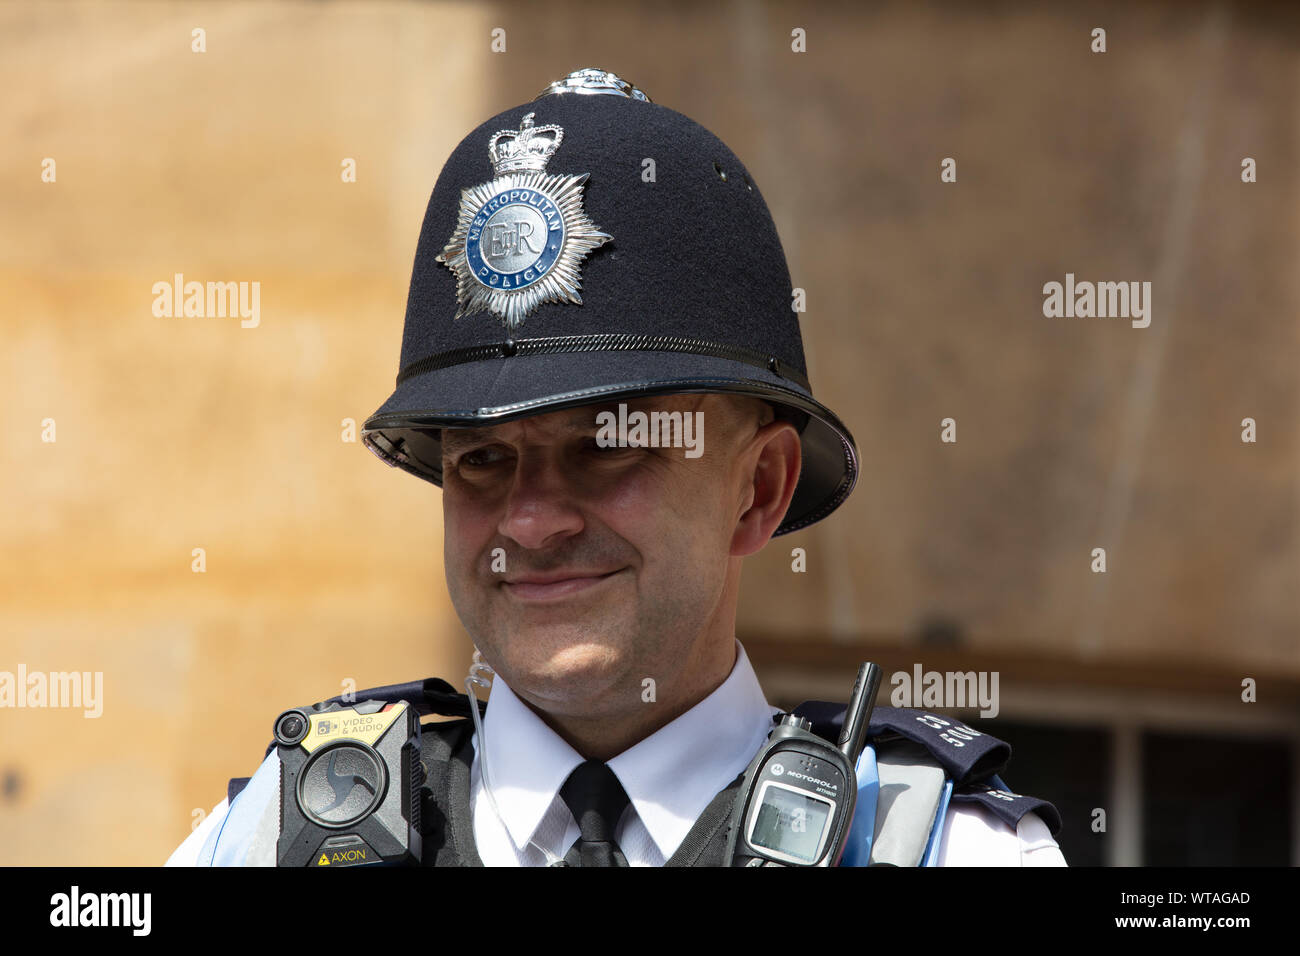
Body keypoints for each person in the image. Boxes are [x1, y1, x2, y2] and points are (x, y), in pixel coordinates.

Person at [167, 68, 1065, 867]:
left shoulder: (941, 846)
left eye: (605, 445)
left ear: (757, 491)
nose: (529, 521)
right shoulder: (272, 840)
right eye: (479, 457)